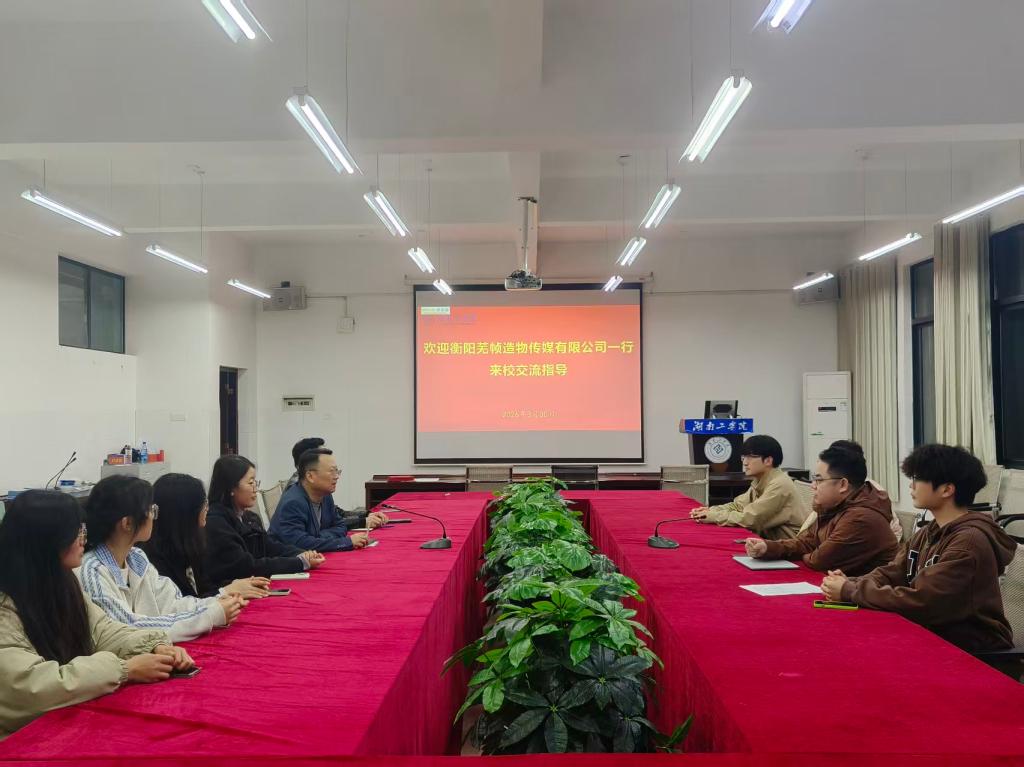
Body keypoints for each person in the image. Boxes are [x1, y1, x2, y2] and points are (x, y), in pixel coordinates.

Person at [0, 490, 194, 739]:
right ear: (47, 540)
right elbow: (30, 688)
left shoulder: (61, 582)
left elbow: (101, 629)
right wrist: (125, 669)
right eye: (75, 532)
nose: (83, 538)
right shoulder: (5, 607)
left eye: (82, 529)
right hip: (19, 739)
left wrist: (153, 645)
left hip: (62, 720)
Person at [822, 444, 1016, 653]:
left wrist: (850, 591)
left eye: (918, 478)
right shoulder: (928, 532)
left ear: (947, 490)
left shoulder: (968, 543)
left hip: (970, 649)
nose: (911, 485)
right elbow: (892, 572)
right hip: (932, 634)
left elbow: (923, 602)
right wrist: (851, 583)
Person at [77, 475, 244, 643]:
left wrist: (215, 602)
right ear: (127, 523)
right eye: (150, 510)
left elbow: (171, 604)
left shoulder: (136, 557)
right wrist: (209, 616)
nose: (153, 516)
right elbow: (128, 629)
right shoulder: (92, 572)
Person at [743, 441, 898, 575]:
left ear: (843, 484)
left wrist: (809, 552)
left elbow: (819, 561)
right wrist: (768, 548)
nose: (813, 486)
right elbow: (807, 543)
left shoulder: (861, 518)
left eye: (819, 480)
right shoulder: (835, 505)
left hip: (862, 595)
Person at [142, 473, 271, 600]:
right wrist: (226, 591)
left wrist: (238, 586)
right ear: (186, 513)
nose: (207, 508)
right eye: (203, 503)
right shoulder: (152, 561)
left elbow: (206, 588)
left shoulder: (190, 543)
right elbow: (181, 605)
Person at [204, 455, 325, 587]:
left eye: (256, 482)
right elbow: (247, 566)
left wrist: (301, 553)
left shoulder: (249, 517)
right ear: (231, 488)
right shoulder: (216, 523)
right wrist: (299, 563)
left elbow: (270, 546)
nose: (255, 489)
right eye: (250, 483)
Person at [689, 435, 809, 540]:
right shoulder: (760, 479)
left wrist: (714, 516)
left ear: (768, 460)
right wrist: (711, 511)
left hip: (787, 549)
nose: (745, 463)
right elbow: (738, 506)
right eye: (743, 457)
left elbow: (750, 519)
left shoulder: (779, 484)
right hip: (767, 542)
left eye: (750, 457)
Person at [270, 448, 371, 552]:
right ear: (310, 476)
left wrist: (318, 537)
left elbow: (341, 526)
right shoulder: (293, 503)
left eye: (337, 471)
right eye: (331, 471)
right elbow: (301, 544)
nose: (336, 476)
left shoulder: (325, 495)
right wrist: (346, 542)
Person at [282, 437, 386, 529]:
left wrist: (366, 514)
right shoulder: (297, 491)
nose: (336, 476)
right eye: (322, 455)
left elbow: (337, 514)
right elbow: (318, 530)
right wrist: (363, 521)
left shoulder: (320, 487)